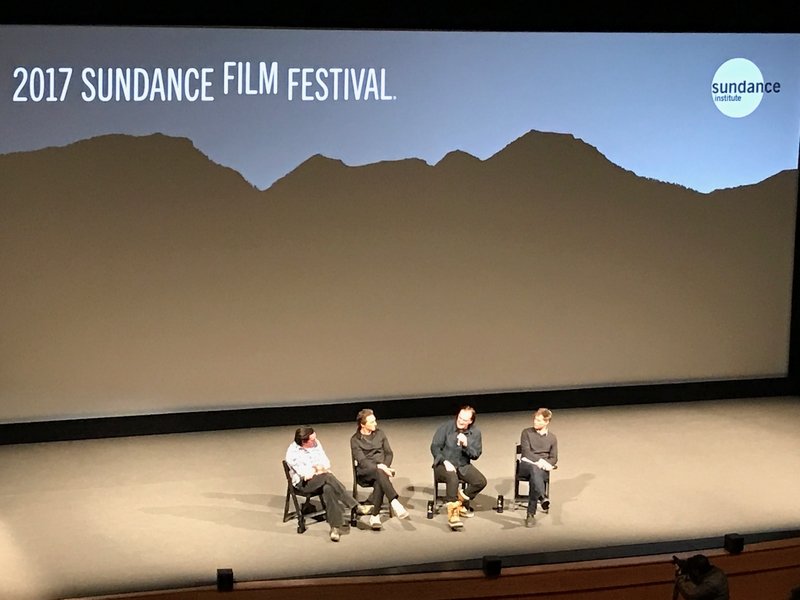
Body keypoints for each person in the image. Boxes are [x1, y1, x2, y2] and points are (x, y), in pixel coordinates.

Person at [285, 426, 366, 542]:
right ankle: (354, 505)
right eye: (312, 440)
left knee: (328, 488)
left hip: (321, 478)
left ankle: (335, 528)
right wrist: (316, 469)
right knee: (328, 477)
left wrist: (318, 468)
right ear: (304, 442)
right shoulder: (292, 453)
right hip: (303, 483)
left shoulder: (316, 443)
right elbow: (305, 474)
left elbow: (326, 462)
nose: (315, 442)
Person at [350, 408, 410, 530]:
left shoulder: (380, 434)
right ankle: (393, 501)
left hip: (381, 472)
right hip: (365, 472)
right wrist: (380, 467)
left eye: (375, 421)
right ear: (362, 425)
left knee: (380, 479)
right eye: (371, 422)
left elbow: (389, 454)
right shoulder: (355, 440)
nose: (375, 424)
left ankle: (375, 516)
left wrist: (385, 467)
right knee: (380, 473)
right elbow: (363, 461)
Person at [430, 405, 487, 530]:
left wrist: (466, 445)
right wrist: (445, 462)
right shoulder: (445, 427)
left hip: (462, 465)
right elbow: (434, 447)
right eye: (460, 418)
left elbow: (476, 454)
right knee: (453, 478)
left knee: (480, 481)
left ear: (470, 421)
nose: (460, 421)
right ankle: (453, 514)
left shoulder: (475, 433)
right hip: (443, 465)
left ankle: (459, 501)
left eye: (464, 420)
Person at [518, 407, 558, 527]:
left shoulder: (552, 438)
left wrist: (545, 464)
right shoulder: (526, 432)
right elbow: (526, 453)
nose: (535, 422)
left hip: (542, 469)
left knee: (535, 477)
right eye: (535, 419)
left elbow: (554, 458)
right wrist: (540, 462)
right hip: (526, 466)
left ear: (547, 422)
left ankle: (531, 514)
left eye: (539, 420)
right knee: (535, 470)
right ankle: (542, 497)